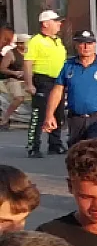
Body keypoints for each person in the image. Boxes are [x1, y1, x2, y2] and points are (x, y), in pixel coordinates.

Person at [44, 30, 97, 145]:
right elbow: (57, 90)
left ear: (94, 44)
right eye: (82, 43)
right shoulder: (68, 65)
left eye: (89, 43)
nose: (86, 47)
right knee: (77, 151)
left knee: (95, 149)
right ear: (76, 45)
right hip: (76, 118)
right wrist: (49, 115)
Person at [24, 10, 68, 158]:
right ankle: (33, 146)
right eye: (56, 21)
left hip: (58, 82)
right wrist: (29, 84)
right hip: (43, 80)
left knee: (58, 113)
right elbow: (28, 63)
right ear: (45, 24)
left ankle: (55, 144)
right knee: (39, 114)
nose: (59, 24)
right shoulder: (36, 41)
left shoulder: (58, 40)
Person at [0, 25, 27, 129]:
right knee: (19, 98)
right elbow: (2, 69)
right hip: (13, 79)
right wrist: (15, 73)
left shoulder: (29, 53)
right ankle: (5, 117)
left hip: (27, 79)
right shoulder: (11, 53)